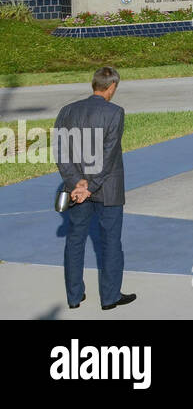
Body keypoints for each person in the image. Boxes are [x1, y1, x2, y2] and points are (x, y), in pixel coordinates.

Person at [55, 66, 135, 311]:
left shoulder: (67, 111)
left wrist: (76, 183)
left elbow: (61, 152)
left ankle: (74, 297)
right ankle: (110, 298)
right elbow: (108, 155)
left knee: (75, 240)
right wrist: (91, 186)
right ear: (111, 87)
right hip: (107, 190)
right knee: (111, 242)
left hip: (77, 190)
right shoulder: (115, 112)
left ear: (94, 84)